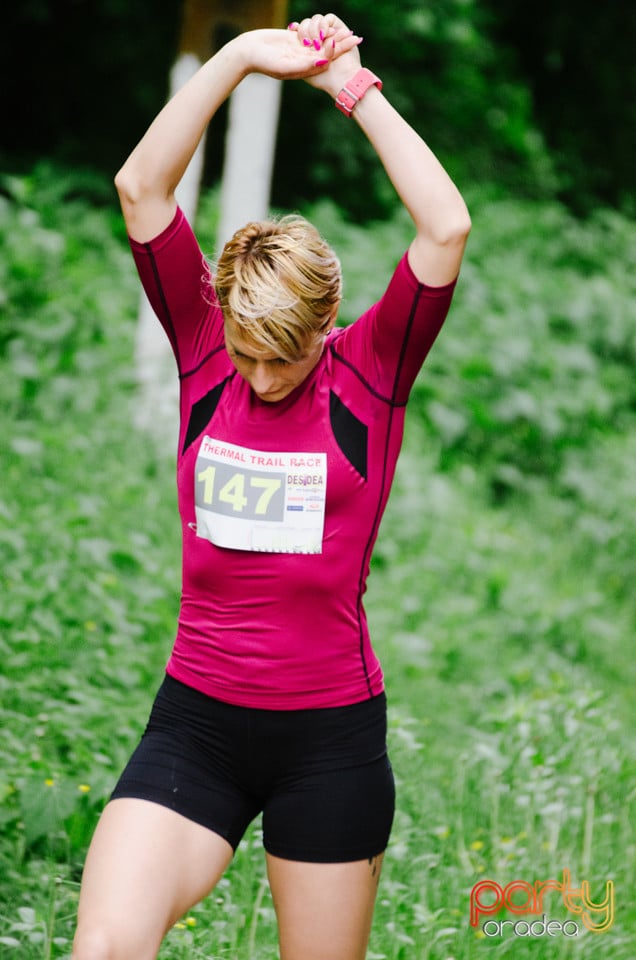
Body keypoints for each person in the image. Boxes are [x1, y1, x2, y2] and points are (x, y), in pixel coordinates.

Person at [72, 12, 470, 960]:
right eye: (248, 354)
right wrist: (244, 57)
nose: (260, 377)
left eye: (283, 359)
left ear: (326, 323)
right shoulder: (206, 348)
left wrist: (351, 87)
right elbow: (140, 185)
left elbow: (445, 225)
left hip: (328, 740)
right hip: (195, 727)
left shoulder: (373, 368)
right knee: (103, 949)